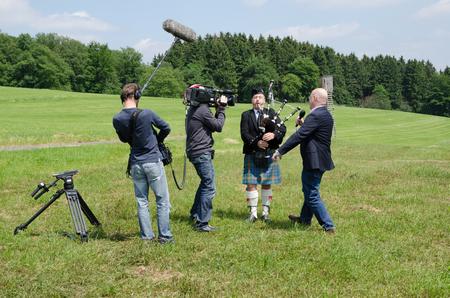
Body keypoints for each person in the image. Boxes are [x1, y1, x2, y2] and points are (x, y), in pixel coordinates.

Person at [112, 83, 174, 243]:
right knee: (162, 200)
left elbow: (124, 139)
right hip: (153, 161)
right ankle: (165, 237)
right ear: (137, 96)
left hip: (135, 163)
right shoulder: (147, 114)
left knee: (142, 201)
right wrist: (157, 140)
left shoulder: (117, 119)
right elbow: (166, 127)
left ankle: (147, 237)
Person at [272, 88, 336, 233]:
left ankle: (328, 226)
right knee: (309, 190)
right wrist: (304, 124)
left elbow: (299, 136)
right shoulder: (325, 114)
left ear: (314, 97)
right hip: (320, 159)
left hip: (315, 161)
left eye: (309, 97)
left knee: (312, 193)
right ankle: (305, 219)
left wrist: (280, 151)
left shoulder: (315, 116)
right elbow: (314, 134)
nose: (308, 100)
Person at [185, 84, 228, 232]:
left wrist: (216, 110)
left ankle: (195, 213)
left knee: (205, 182)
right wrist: (221, 109)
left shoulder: (195, 109)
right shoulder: (202, 110)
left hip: (195, 151)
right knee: (209, 186)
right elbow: (218, 126)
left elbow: (210, 126)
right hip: (201, 152)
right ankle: (202, 223)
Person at [240, 87, 286, 222]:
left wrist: (274, 134)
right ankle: (253, 213)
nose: (257, 100)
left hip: (269, 153)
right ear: (251, 100)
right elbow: (244, 134)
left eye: (260, 97)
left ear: (264, 100)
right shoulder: (246, 115)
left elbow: (282, 128)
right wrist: (256, 143)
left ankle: (265, 212)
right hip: (252, 152)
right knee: (251, 183)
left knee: (267, 183)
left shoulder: (271, 113)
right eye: (255, 98)